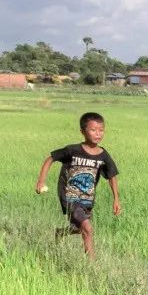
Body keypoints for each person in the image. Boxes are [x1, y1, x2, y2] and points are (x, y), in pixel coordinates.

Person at [35, 111, 121, 259]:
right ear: (82, 132)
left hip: (87, 199)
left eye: (101, 130)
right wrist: (41, 181)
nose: (98, 133)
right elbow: (50, 159)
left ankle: (60, 232)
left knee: (80, 229)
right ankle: (92, 264)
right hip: (69, 197)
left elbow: (111, 176)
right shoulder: (73, 150)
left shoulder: (103, 155)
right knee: (87, 228)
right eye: (93, 130)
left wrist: (116, 199)